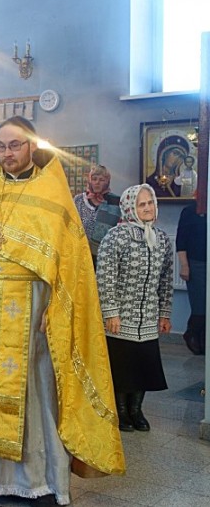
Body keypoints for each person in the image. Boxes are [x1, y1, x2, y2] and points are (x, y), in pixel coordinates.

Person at [0, 117, 125, 505]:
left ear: (32, 146)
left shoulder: (53, 193)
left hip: (34, 306)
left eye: (15, 145)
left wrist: (55, 307)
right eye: (1, 146)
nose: (7, 153)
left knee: (36, 391)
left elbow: (69, 265)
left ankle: (38, 481)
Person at [97, 184, 173, 432]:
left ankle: (136, 410)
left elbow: (166, 279)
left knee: (143, 366)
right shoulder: (116, 237)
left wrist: (164, 313)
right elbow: (105, 277)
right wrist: (111, 312)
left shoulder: (162, 239)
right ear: (130, 208)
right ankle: (121, 411)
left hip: (148, 317)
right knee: (123, 367)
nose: (148, 208)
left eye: (150, 203)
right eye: (142, 204)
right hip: (121, 318)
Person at [72, 165, 121, 263]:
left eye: (101, 180)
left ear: (107, 182)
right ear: (90, 180)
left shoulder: (116, 202)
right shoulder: (79, 200)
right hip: (81, 256)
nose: (97, 182)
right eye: (94, 179)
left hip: (107, 257)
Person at [176, 200, 206, 355]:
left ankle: (204, 340)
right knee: (199, 305)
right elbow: (181, 241)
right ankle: (192, 333)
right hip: (196, 264)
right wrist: (184, 265)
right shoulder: (189, 211)